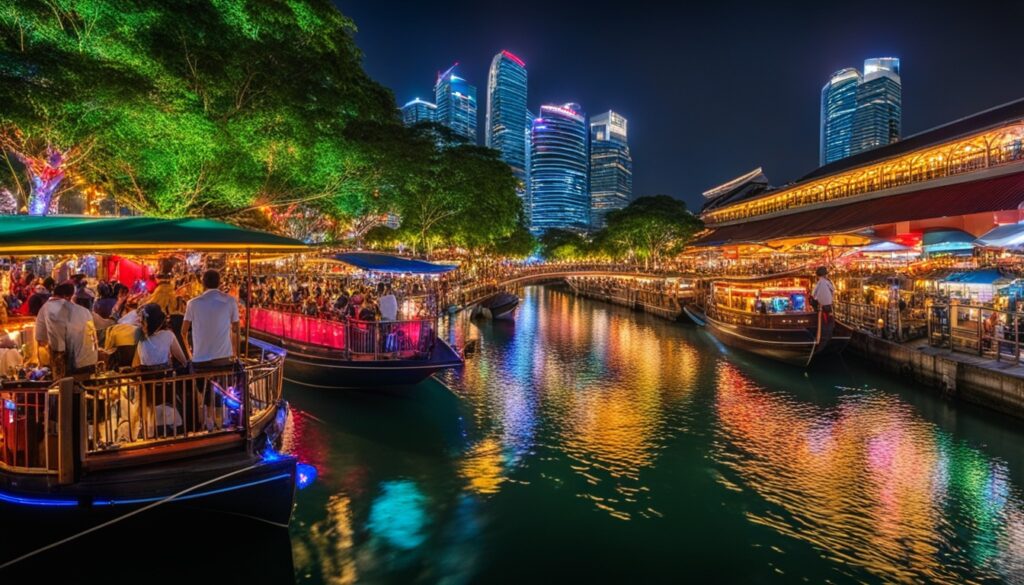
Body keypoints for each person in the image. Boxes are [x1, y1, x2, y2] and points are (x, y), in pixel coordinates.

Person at [35, 282, 99, 377]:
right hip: (92, 362)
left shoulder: (50, 309)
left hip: (74, 367)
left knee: (71, 390)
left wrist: (56, 377)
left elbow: (56, 347)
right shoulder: (85, 311)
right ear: (69, 296)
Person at [181, 269, 239, 369]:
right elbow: (236, 330)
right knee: (225, 384)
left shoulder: (192, 303)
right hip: (224, 359)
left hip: (200, 360)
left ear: (203, 283)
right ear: (219, 283)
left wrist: (190, 355)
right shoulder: (230, 301)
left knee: (200, 383)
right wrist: (235, 354)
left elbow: (183, 332)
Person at [134, 303, 188, 369]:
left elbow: (138, 362)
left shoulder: (140, 335)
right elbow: (182, 360)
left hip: (146, 377)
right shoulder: (168, 335)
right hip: (165, 376)